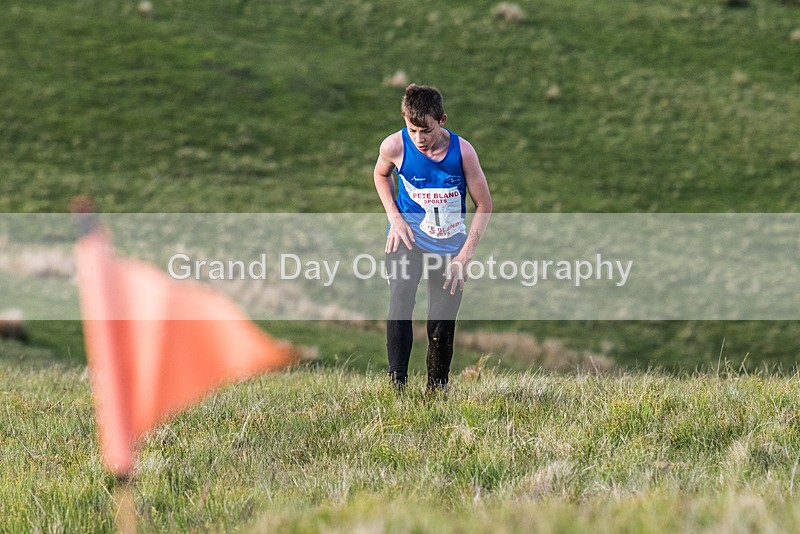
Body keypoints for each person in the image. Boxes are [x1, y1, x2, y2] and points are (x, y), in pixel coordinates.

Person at [373, 84, 492, 392]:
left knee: (441, 322)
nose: (419, 139)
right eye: (412, 129)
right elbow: (381, 174)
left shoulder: (462, 152)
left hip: (450, 247)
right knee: (400, 299)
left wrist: (465, 255)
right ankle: (396, 386)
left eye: (426, 130)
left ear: (442, 119)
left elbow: (485, 205)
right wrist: (394, 218)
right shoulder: (394, 146)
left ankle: (435, 392)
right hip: (407, 240)